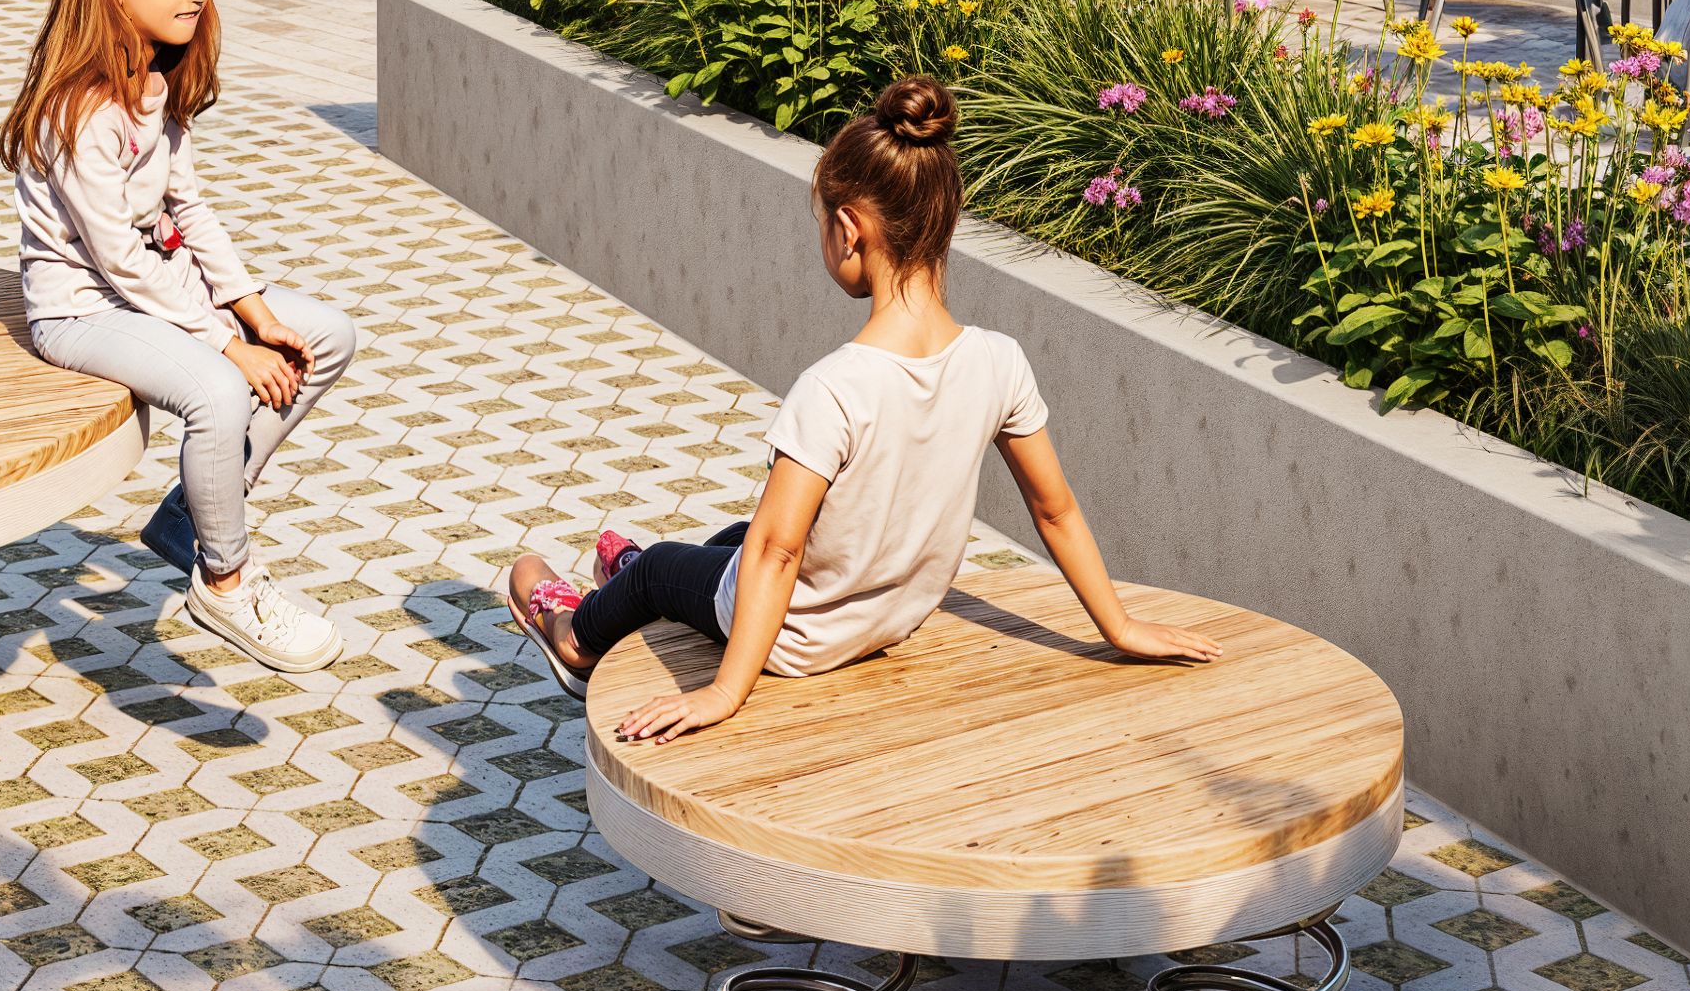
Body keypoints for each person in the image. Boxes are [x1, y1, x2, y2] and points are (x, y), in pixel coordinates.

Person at [502, 73, 1216, 717]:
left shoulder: (834, 389)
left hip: (801, 637)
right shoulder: (1001, 362)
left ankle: (578, 630)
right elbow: (1054, 510)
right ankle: (633, 578)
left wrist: (724, 693)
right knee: (737, 539)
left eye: (822, 224)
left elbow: (779, 558)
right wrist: (1118, 627)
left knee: (667, 568)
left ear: (849, 232)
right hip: (892, 616)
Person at [1, 0, 361, 677]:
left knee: (324, 336)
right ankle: (225, 581)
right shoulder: (79, 111)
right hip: (82, 311)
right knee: (219, 391)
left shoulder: (155, 78)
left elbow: (188, 208)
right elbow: (117, 257)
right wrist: (225, 345)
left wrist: (253, 308)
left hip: (155, 293)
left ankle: (182, 520)